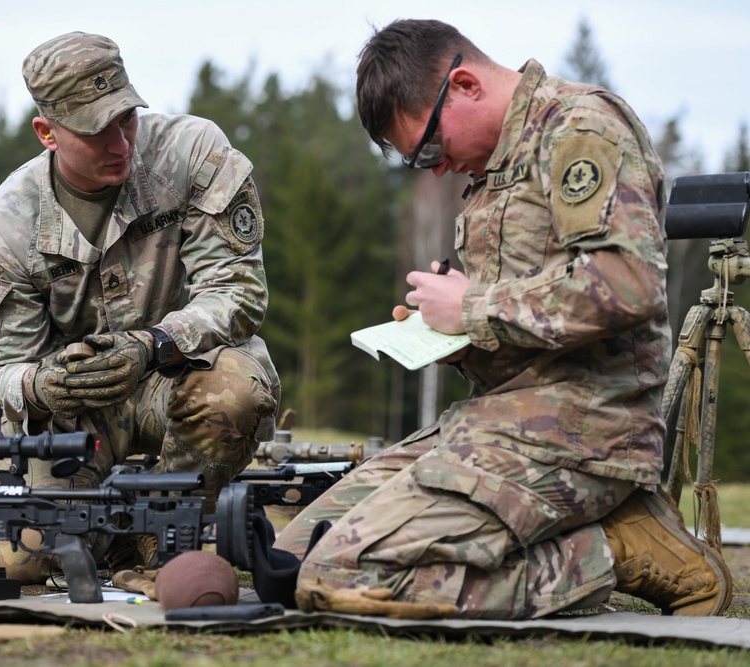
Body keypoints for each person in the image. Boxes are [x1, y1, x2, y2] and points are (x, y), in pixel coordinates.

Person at [272, 19, 732, 619]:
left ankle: (617, 548)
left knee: (339, 575)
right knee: (289, 561)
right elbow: (529, 317)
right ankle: (604, 528)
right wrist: (449, 335)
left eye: (430, 149)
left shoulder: (580, 127)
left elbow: (629, 285)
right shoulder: (492, 168)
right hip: (495, 420)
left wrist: (470, 308)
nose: (436, 169)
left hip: (585, 428)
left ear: (463, 85)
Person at [0, 31, 280, 582]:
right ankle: (108, 537)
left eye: (126, 118)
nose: (120, 143)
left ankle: (163, 537)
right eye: (95, 130)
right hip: (76, 409)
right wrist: (40, 386)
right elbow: (1, 370)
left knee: (237, 393)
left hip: (178, 376)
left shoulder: (193, 154)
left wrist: (152, 345)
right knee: (24, 560)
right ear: (47, 133)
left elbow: (239, 293)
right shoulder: (6, 227)